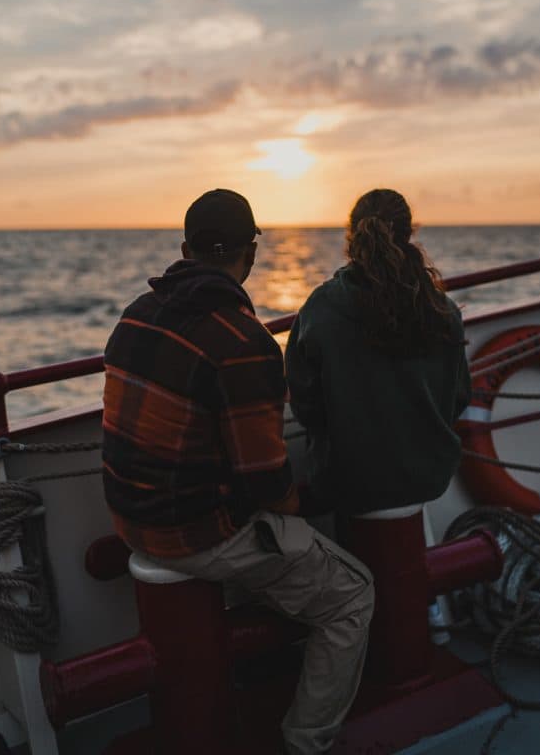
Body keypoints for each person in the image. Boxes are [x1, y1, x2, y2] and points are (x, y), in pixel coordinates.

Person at [102, 188, 374, 755]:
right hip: (194, 535)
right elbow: (266, 484)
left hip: (129, 518)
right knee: (353, 596)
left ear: (183, 249)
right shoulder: (245, 343)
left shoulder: (135, 317)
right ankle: (307, 742)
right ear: (251, 254)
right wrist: (312, 502)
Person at [285, 188, 471, 518]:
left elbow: (306, 406)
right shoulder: (443, 311)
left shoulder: (320, 309)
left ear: (351, 237)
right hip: (429, 476)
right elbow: (457, 398)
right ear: (410, 233)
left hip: (346, 482)